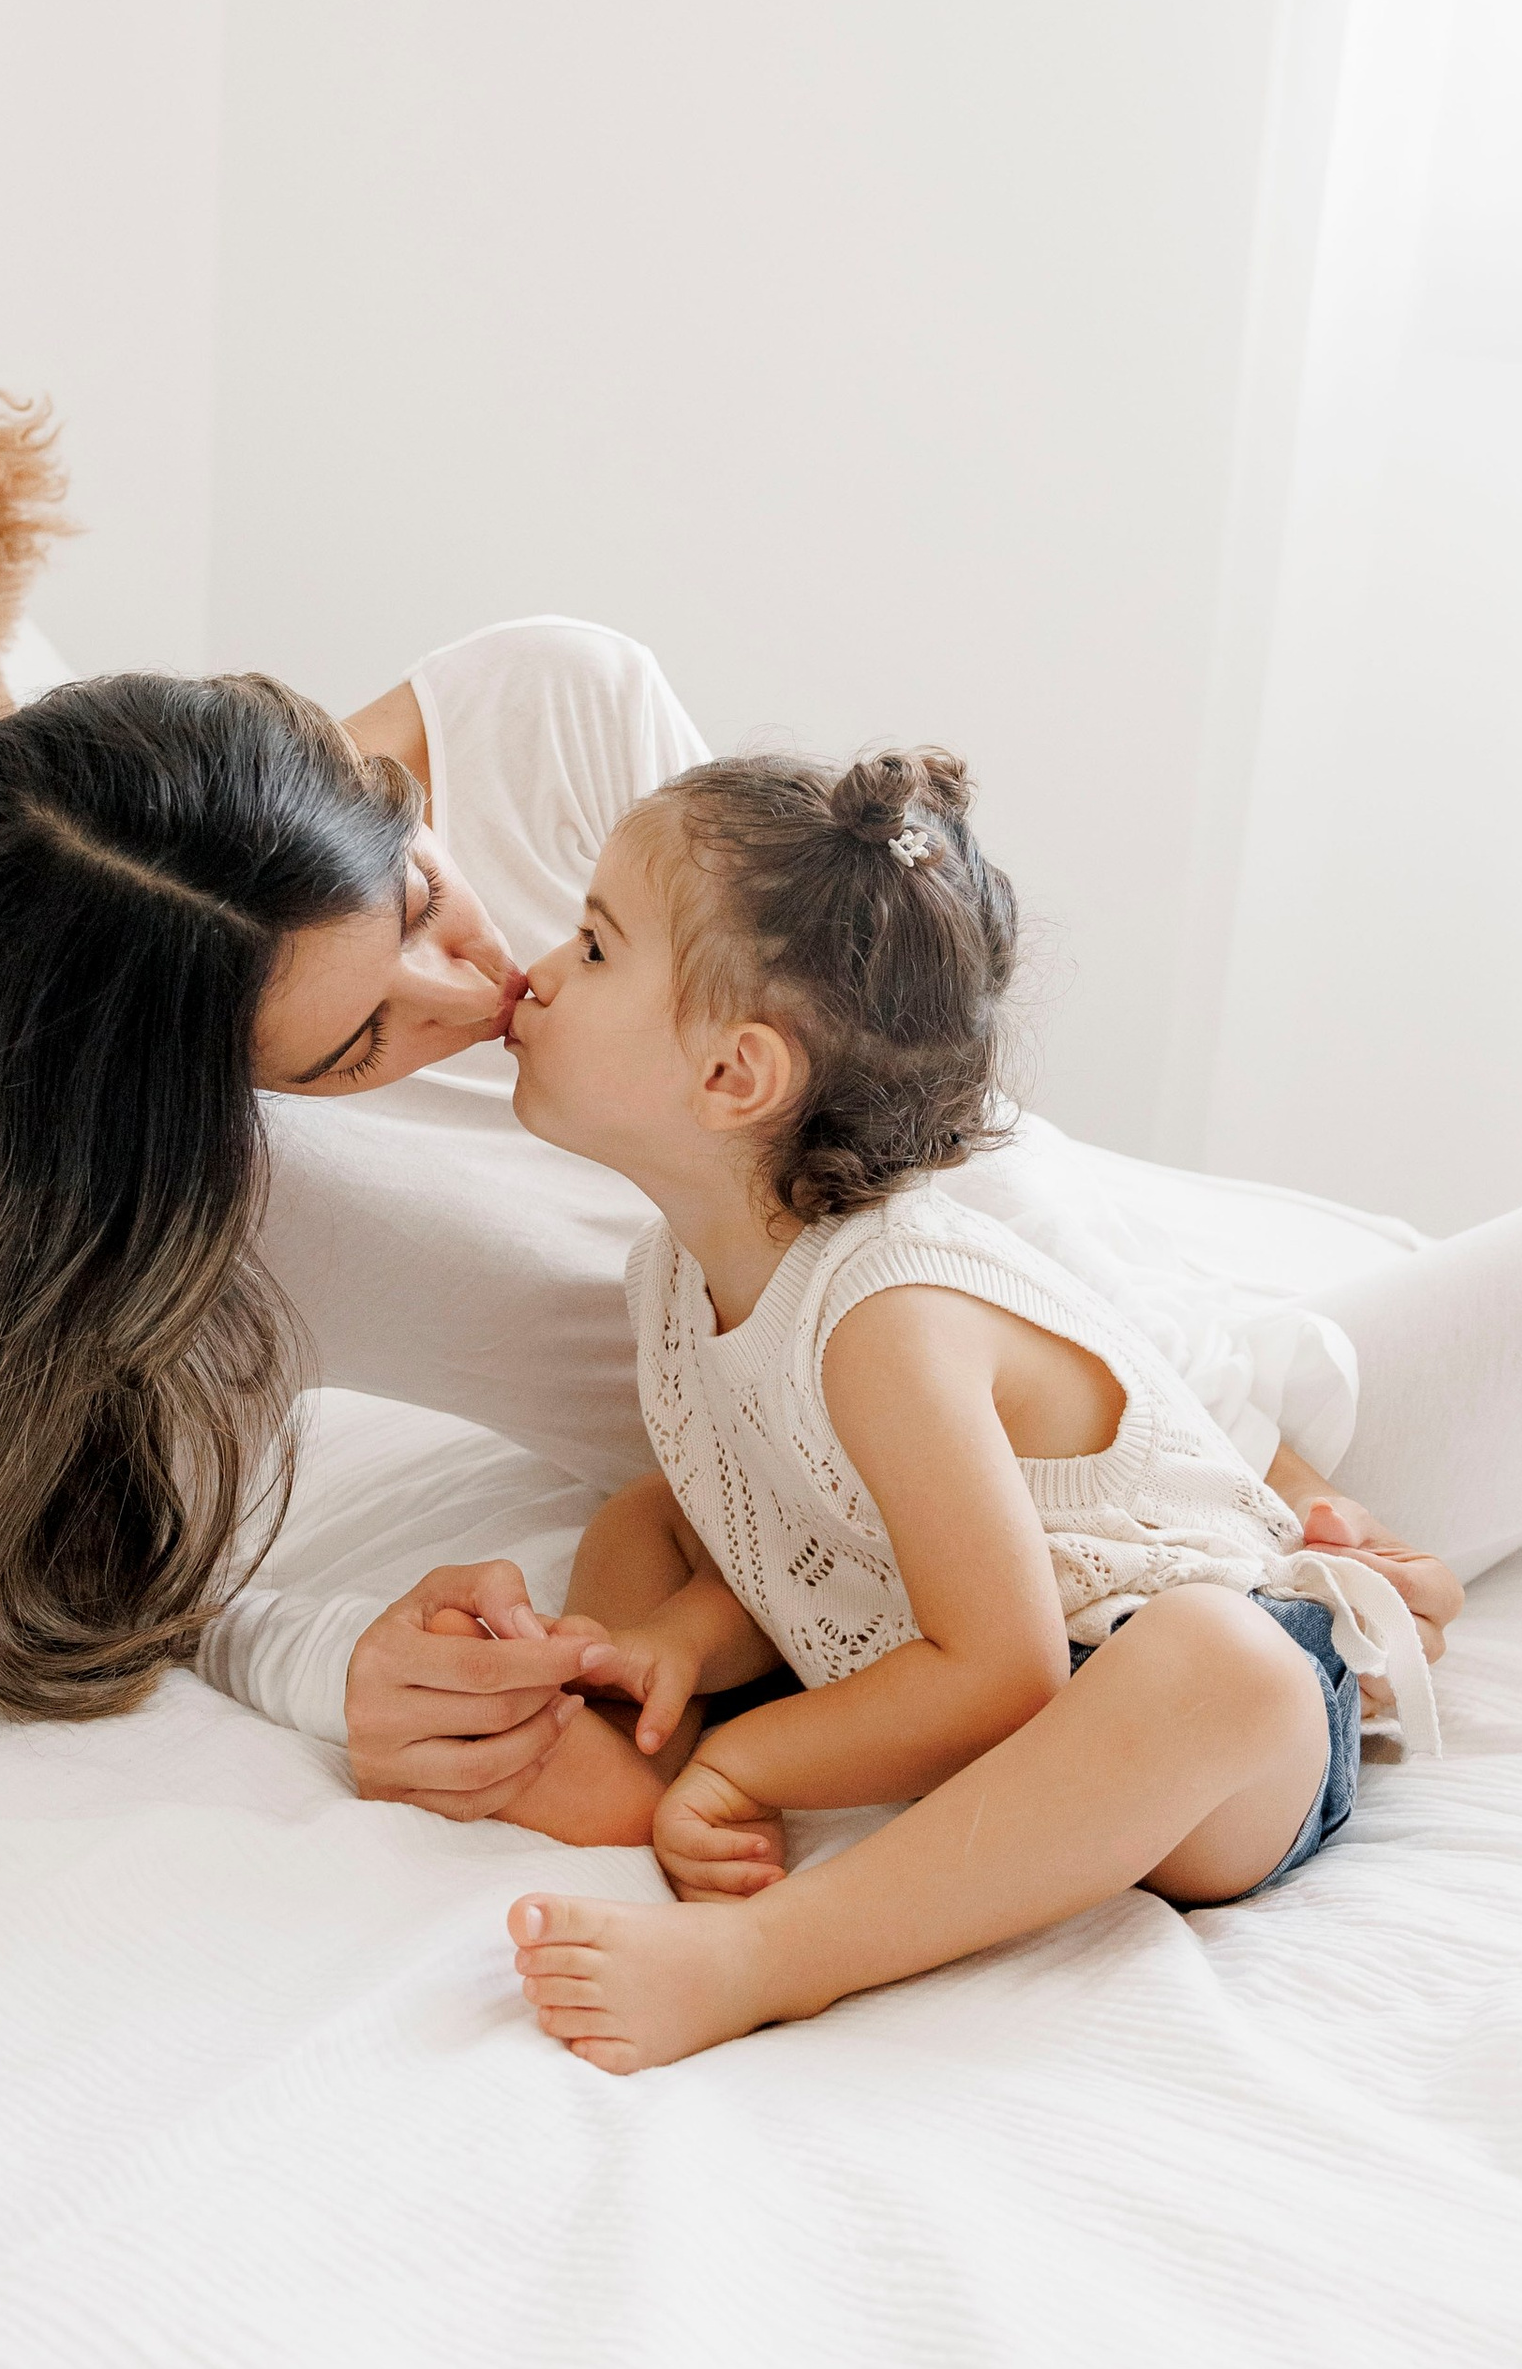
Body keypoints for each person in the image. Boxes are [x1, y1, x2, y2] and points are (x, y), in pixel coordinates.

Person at [0, 624, 1522, 1771]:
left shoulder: (555, 716)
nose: (481, 996)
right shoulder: (193, 1194)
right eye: (360, 1044)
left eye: (423, 903)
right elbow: (26, 1558)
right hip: (1011, 1525)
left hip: (1203, 1401)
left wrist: (1270, 1493)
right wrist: (311, 1660)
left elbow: (918, 1156)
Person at [486, 743, 1454, 2068]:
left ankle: (771, 1957)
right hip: (974, 1671)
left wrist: (755, 1761)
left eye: (593, 949)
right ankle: (644, 1732)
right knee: (648, 1521)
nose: (538, 970)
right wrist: (687, 1647)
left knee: (1222, 1667)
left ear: (734, 1078)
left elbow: (1002, 1674)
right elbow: (796, 1527)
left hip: (1176, 1720)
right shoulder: (673, 1275)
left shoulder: (887, 1317)